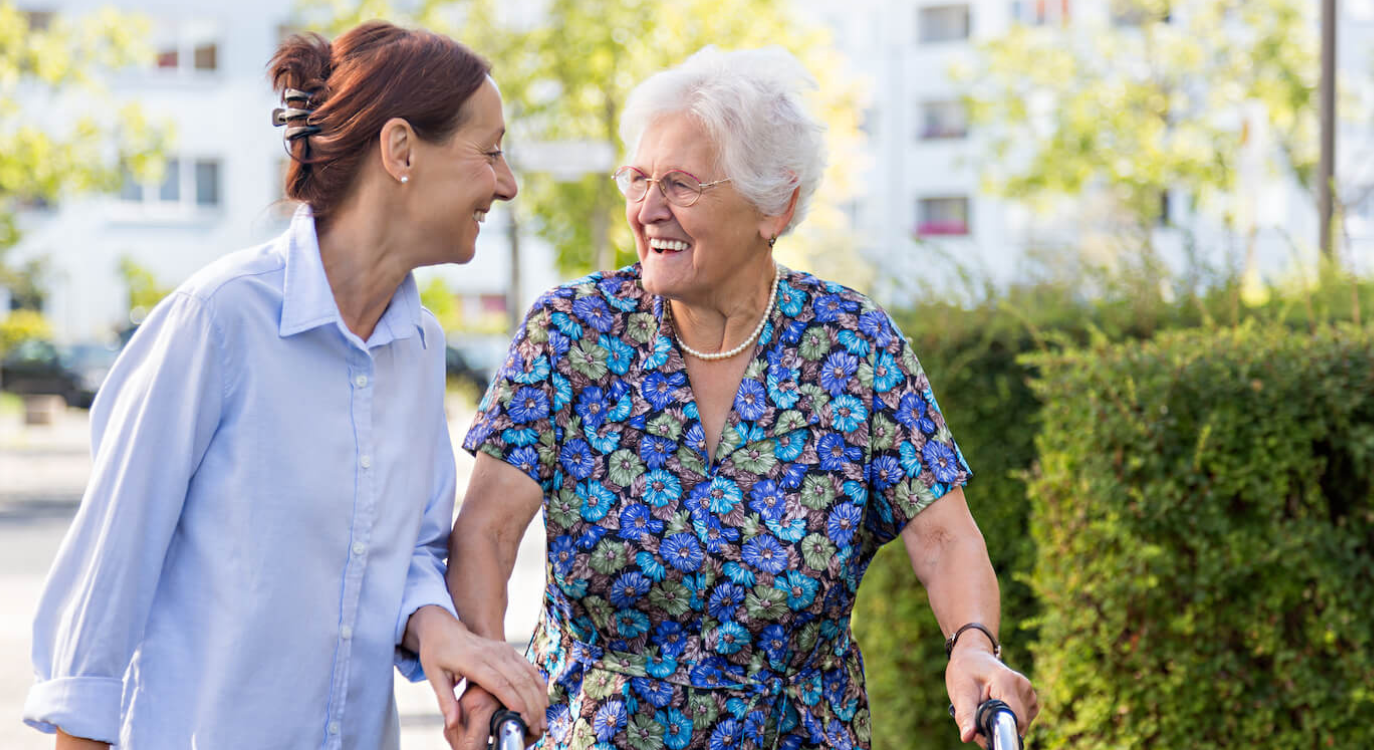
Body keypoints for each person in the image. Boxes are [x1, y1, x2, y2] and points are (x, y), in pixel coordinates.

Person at [443, 46, 1039, 750]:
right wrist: (486, 662)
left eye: (682, 185)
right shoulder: (571, 334)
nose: (648, 209)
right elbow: (485, 531)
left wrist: (971, 642)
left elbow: (943, 536)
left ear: (775, 204)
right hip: (596, 733)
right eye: (638, 179)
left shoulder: (854, 347)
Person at [23, 21, 547, 749]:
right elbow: (106, 587)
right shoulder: (217, 322)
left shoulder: (420, 347)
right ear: (401, 150)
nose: (507, 183)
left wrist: (436, 627)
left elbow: (412, 556)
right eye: (489, 151)